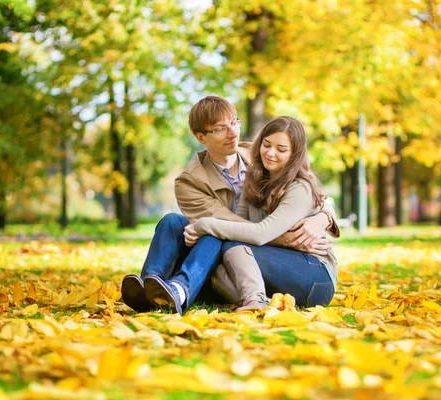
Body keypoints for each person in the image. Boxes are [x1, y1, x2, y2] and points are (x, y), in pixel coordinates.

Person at [121, 96, 339, 314]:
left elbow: (312, 190)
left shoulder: (262, 155)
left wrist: (324, 218)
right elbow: (225, 225)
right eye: (220, 129)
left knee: (218, 236)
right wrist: (287, 239)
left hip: (253, 250)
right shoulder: (190, 182)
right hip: (237, 246)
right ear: (201, 137)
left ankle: (181, 288)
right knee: (173, 222)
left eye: (235, 123)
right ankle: (149, 285)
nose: (233, 133)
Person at [184, 116, 338, 311]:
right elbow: (239, 223)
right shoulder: (254, 182)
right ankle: (260, 302)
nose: (271, 153)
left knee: (235, 245)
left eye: (281, 150)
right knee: (219, 269)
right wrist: (197, 227)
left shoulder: (300, 187)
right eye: (266, 145)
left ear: (294, 154)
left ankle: (255, 300)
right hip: (277, 269)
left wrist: (205, 225)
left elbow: (259, 234)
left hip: (316, 276)